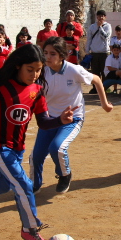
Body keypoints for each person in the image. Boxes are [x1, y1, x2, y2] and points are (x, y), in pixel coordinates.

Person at [0, 44, 76, 240]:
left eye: (39, 70)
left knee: (4, 184)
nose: (35, 74)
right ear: (17, 67)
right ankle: (30, 229)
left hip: (17, 148)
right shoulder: (0, 86)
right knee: (24, 186)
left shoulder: (38, 91)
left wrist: (60, 121)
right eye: (30, 70)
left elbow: (44, 122)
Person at [30, 37, 113, 194]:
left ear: (62, 55)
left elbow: (96, 80)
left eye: (52, 54)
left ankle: (64, 175)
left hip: (73, 119)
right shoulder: (41, 72)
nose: (48, 57)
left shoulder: (73, 70)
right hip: (50, 119)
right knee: (36, 156)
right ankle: (34, 185)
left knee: (57, 147)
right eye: (45, 53)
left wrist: (104, 104)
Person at [86, 9, 112, 82]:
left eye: (102, 16)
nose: (101, 18)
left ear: (105, 17)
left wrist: (100, 27)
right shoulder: (92, 27)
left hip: (104, 52)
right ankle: (95, 88)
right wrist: (87, 50)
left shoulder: (108, 26)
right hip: (94, 53)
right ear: (97, 17)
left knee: (104, 71)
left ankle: (104, 88)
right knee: (95, 72)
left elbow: (106, 37)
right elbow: (89, 39)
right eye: (99, 16)